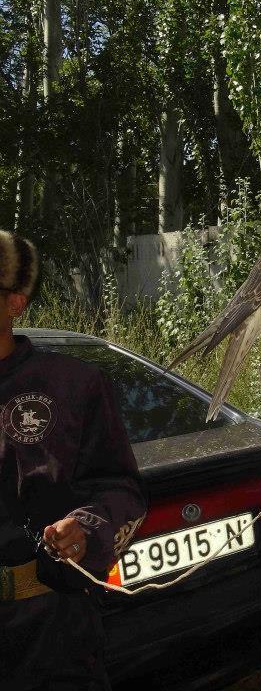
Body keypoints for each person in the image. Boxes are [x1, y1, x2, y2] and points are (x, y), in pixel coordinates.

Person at [0, 230, 146, 690]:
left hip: (47, 630)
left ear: (14, 303)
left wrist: (86, 528)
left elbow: (122, 490)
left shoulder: (71, 386)